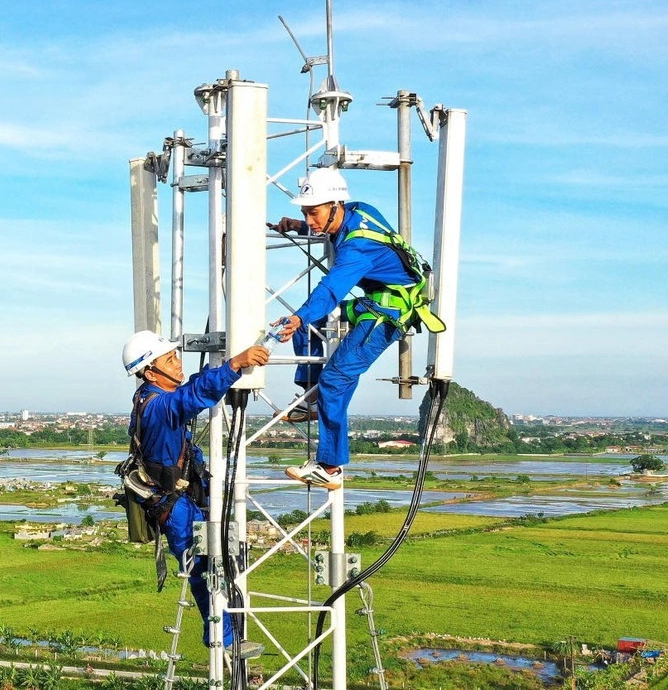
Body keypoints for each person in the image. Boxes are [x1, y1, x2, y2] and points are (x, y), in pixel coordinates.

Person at [268, 168, 443, 490]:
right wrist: (300, 227)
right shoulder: (359, 210)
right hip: (376, 300)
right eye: (304, 213)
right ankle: (312, 398)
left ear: (335, 204)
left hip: (389, 311)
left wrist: (299, 317)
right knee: (312, 323)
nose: (310, 220)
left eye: (314, 212)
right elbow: (336, 230)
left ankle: (330, 468)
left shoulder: (358, 247)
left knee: (335, 377)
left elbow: (331, 289)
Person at [121, 330, 267, 659]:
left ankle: (227, 626)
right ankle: (222, 635)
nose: (178, 362)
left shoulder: (150, 395)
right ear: (149, 371)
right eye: (169, 359)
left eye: (175, 356)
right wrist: (233, 366)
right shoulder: (159, 406)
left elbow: (189, 391)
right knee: (203, 566)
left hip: (185, 495)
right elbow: (190, 398)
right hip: (173, 505)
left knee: (221, 551)